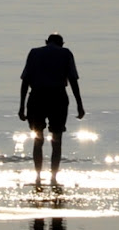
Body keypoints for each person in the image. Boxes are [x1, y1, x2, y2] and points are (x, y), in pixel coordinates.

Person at [18, 33, 85, 186]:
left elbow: (25, 81)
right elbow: (73, 80)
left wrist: (21, 106)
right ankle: (53, 177)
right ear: (62, 43)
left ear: (46, 42)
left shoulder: (34, 52)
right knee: (57, 140)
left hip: (37, 96)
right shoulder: (66, 53)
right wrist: (79, 104)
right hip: (58, 97)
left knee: (38, 139)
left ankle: (37, 176)